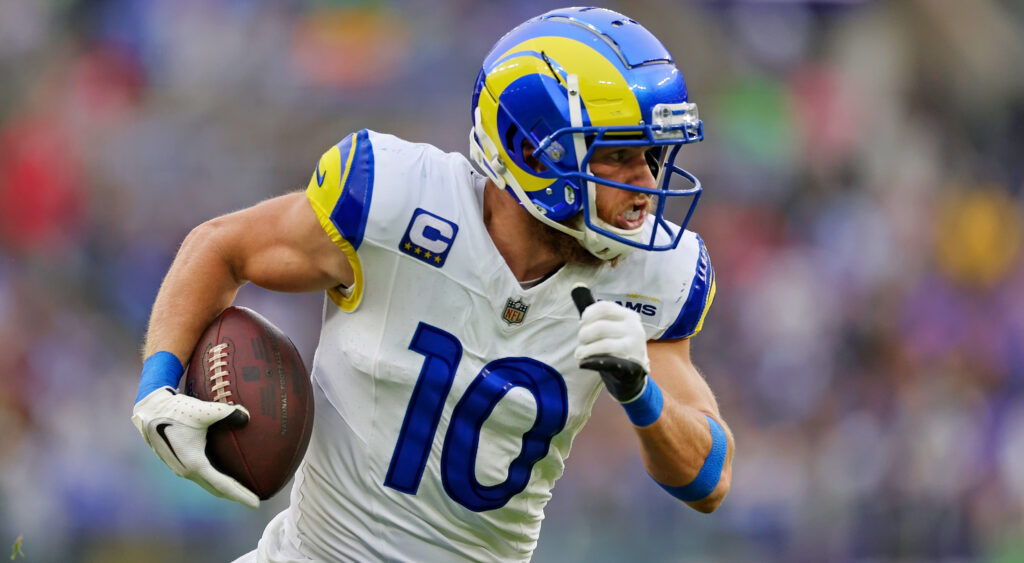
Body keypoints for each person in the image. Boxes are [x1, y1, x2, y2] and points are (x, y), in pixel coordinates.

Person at [130, 6, 734, 561]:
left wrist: (642, 396)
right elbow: (221, 246)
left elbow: (709, 479)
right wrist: (158, 389)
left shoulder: (654, 274)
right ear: (531, 150)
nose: (646, 185)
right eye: (620, 155)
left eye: (654, 156)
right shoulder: (396, 201)